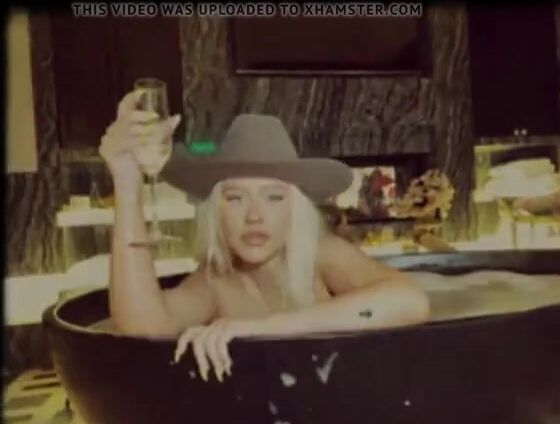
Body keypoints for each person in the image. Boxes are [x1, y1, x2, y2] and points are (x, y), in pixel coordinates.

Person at [99, 90, 430, 383]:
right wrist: (126, 179)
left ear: (294, 208)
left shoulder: (321, 254)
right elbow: (143, 326)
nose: (255, 216)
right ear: (215, 211)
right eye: (235, 198)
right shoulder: (216, 280)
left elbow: (410, 301)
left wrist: (266, 327)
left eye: (273, 197)